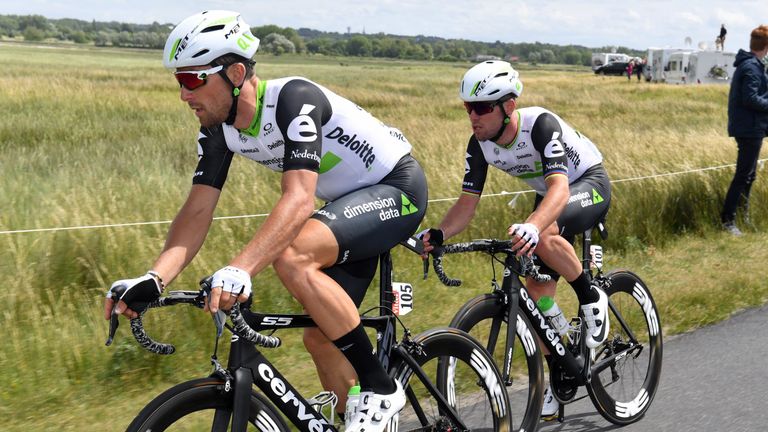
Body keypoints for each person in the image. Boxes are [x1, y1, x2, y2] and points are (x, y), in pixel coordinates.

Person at [103, 10, 427, 431]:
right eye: (178, 82)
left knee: (292, 255)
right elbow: (198, 208)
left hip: (396, 190)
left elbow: (299, 198)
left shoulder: (294, 101)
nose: (184, 95)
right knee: (321, 338)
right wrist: (154, 278)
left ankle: (380, 387)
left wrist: (241, 268)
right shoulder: (220, 128)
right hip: (347, 207)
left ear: (235, 72)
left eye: (191, 80)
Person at [420, 60, 612, 420]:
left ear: (508, 106)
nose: (472, 117)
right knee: (537, 294)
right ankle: (557, 366)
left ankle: (590, 294)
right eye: (467, 108)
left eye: (480, 108)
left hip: (586, 184)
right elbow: (466, 205)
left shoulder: (540, 125)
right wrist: (440, 233)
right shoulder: (479, 144)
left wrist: (535, 226)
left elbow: (559, 188)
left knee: (542, 233)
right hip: (552, 197)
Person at [721, 25, 768, 236]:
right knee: (743, 175)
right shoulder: (751, 67)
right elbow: (751, 99)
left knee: (749, 176)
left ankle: (742, 215)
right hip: (749, 128)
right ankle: (728, 220)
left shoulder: (751, 65)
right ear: (765, 46)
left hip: (752, 127)